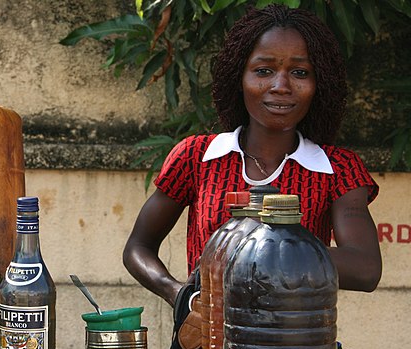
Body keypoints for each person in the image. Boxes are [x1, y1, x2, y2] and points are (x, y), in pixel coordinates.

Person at [123, 4, 382, 309]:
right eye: (264, 71)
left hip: (299, 346)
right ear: (239, 77)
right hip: (209, 347)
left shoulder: (337, 170)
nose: (280, 86)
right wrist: (177, 293)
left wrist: (260, 254)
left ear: (319, 84)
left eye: (300, 72)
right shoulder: (197, 157)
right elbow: (138, 247)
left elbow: (366, 269)